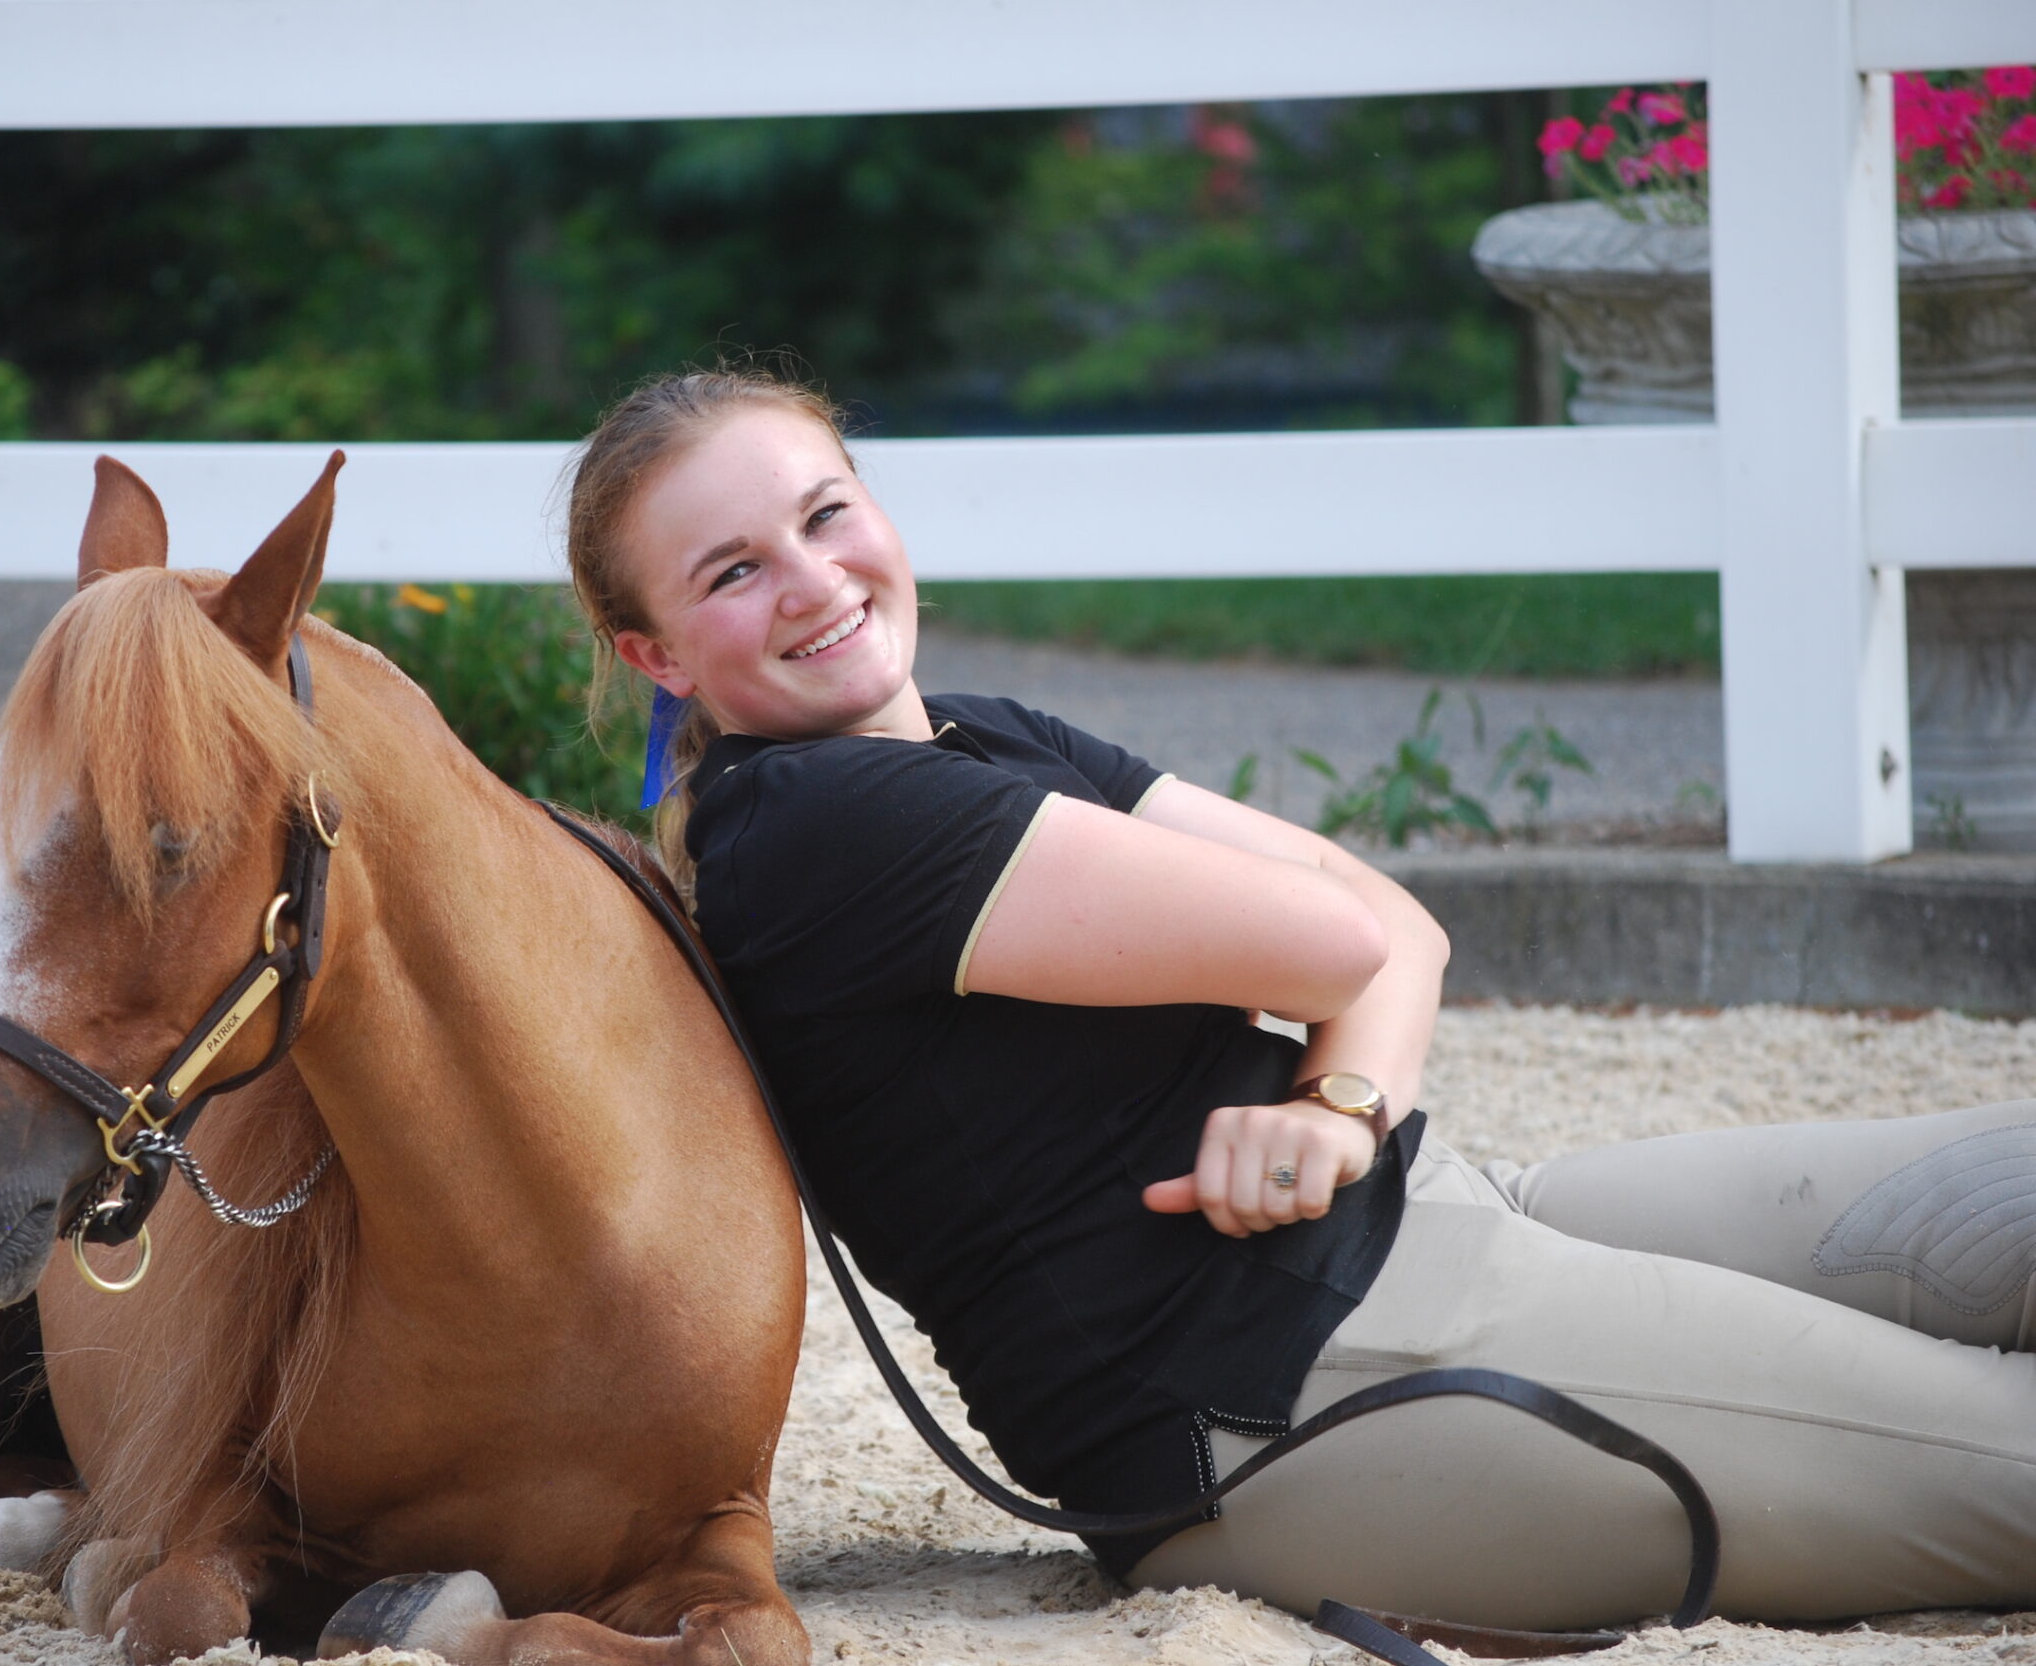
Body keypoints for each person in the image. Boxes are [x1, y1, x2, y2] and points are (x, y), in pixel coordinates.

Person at [561, 366, 2036, 1634]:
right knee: (2002, 1456)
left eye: (826, 512)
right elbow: (1340, 940)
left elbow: (1403, 927)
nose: (815, 579)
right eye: (733, 570)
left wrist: (1341, 1103)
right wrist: (1343, 1067)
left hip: (1436, 1212)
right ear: (657, 654)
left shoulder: (975, 733)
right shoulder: (819, 826)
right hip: (1280, 1393)